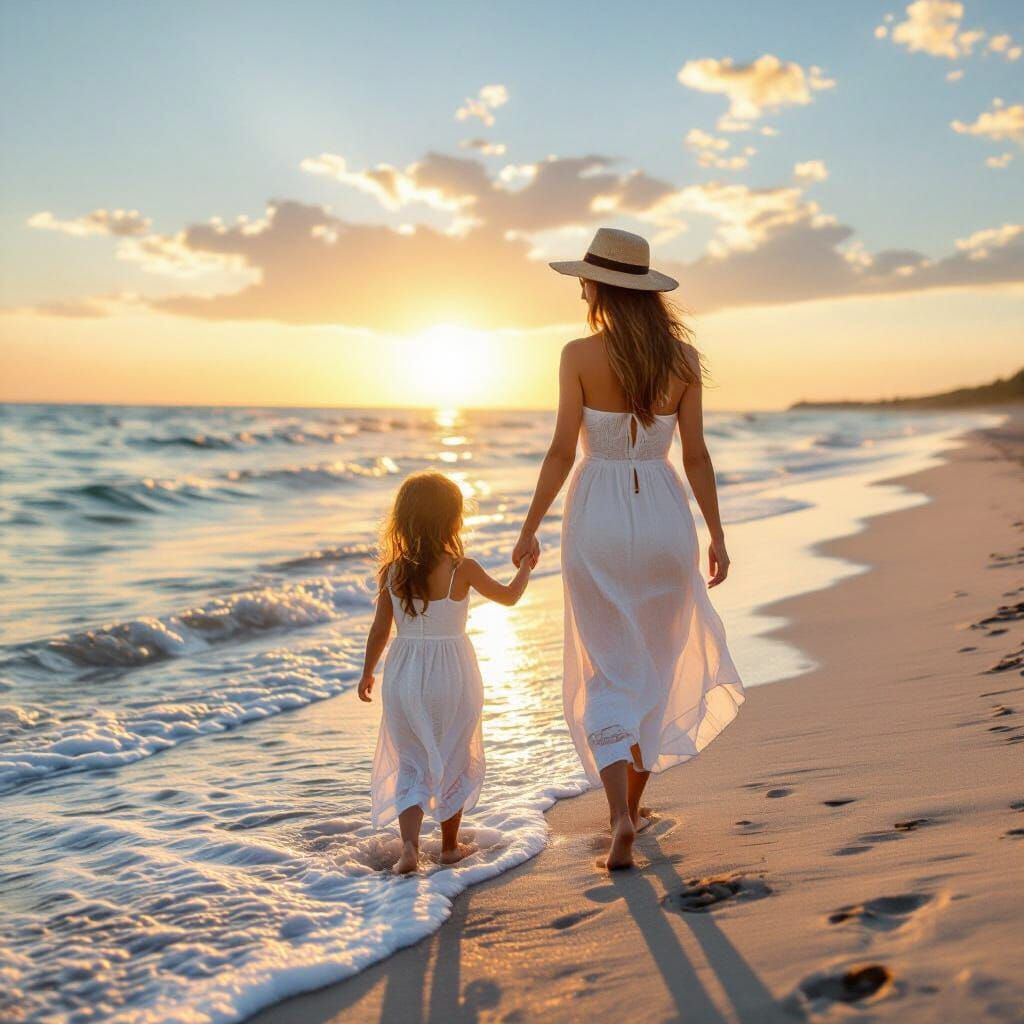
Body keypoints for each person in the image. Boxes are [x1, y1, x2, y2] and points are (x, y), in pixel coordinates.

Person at [513, 227, 745, 870]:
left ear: (602, 288)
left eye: (584, 279)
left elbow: (562, 451)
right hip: (668, 515)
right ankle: (634, 811)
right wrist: (718, 534)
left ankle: (619, 815)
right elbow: (696, 457)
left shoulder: (578, 355)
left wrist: (529, 526)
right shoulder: (683, 361)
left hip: (598, 518)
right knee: (658, 662)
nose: (581, 287)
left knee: (608, 664)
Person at [359, 470, 534, 874]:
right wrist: (525, 566)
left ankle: (409, 849)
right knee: (454, 752)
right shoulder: (462, 568)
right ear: (453, 520)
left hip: (403, 676)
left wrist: (367, 672)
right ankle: (451, 846)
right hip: (453, 674)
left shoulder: (392, 573)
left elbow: (380, 630)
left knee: (412, 760)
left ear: (402, 520)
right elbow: (509, 596)